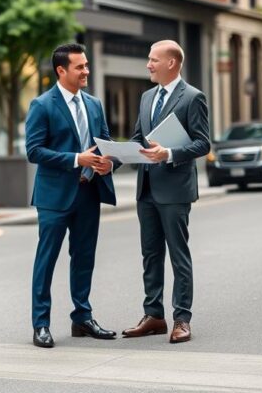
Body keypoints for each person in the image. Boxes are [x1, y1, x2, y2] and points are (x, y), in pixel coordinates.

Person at [25, 42, 117, 348]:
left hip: (89, 192)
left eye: (87, 65)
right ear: (61, 70)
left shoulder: (94, 104)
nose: (86, 71)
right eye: (80, 67)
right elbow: (34, 151)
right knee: (46, 260)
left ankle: (82, 318)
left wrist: (109, 163)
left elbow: (106, 143)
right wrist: (77, 159)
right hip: (54, 197)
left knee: (84, 258)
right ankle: (41, 324)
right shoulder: (42, 105)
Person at [123, 40, 209, 344]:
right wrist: (116, 156)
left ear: (171, 63)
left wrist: (169, 153)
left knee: (178, 255)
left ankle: (182, 319)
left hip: (174, 190)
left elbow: (203, 143)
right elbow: (139, 137)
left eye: (153, 60)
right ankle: (154, 316)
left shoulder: (193, 97)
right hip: (146, 188)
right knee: (150, 255)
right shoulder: (147, 97)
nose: (148, 64)